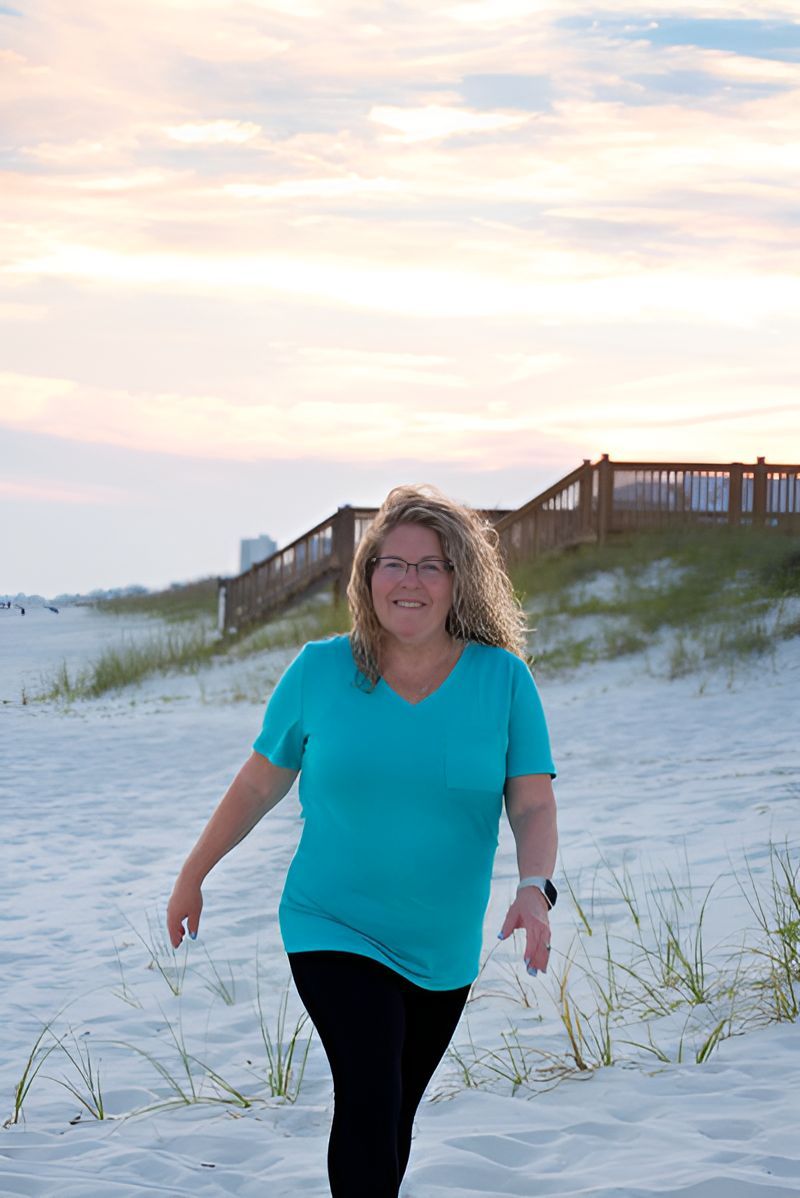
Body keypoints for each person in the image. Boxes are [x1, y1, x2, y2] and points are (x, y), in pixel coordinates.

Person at [166, 484, 558, 1198]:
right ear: (368, 575)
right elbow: (258, 784)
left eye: (430, 565)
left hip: (442, 947)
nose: (409, 581)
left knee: (393, 1113)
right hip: (331, 921)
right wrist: (194, 872)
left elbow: (531, 803)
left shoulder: (502, 681)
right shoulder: (319, 670)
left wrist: (534, 889)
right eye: (393, 564)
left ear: (457, 579)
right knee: (371, 1090)